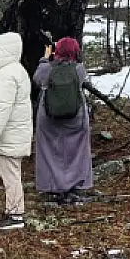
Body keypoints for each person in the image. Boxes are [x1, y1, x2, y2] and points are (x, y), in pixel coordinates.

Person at [0, 31, 34, 231]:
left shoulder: (6, 74)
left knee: (11, 176)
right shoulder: (14, 71)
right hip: (13, 134)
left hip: (8, 136)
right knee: (12, 175)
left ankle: (16, 215)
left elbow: (2, 109)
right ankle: (12, 210)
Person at [34, 37, 94, 205]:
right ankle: (75, 185)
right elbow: (82, 79)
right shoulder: (79, 69)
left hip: (48, 116)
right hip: (76, 116)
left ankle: (53, 186)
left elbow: (38, 79)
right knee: (77, 150)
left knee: (49, 150)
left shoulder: (46, 69)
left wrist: (45, 58)